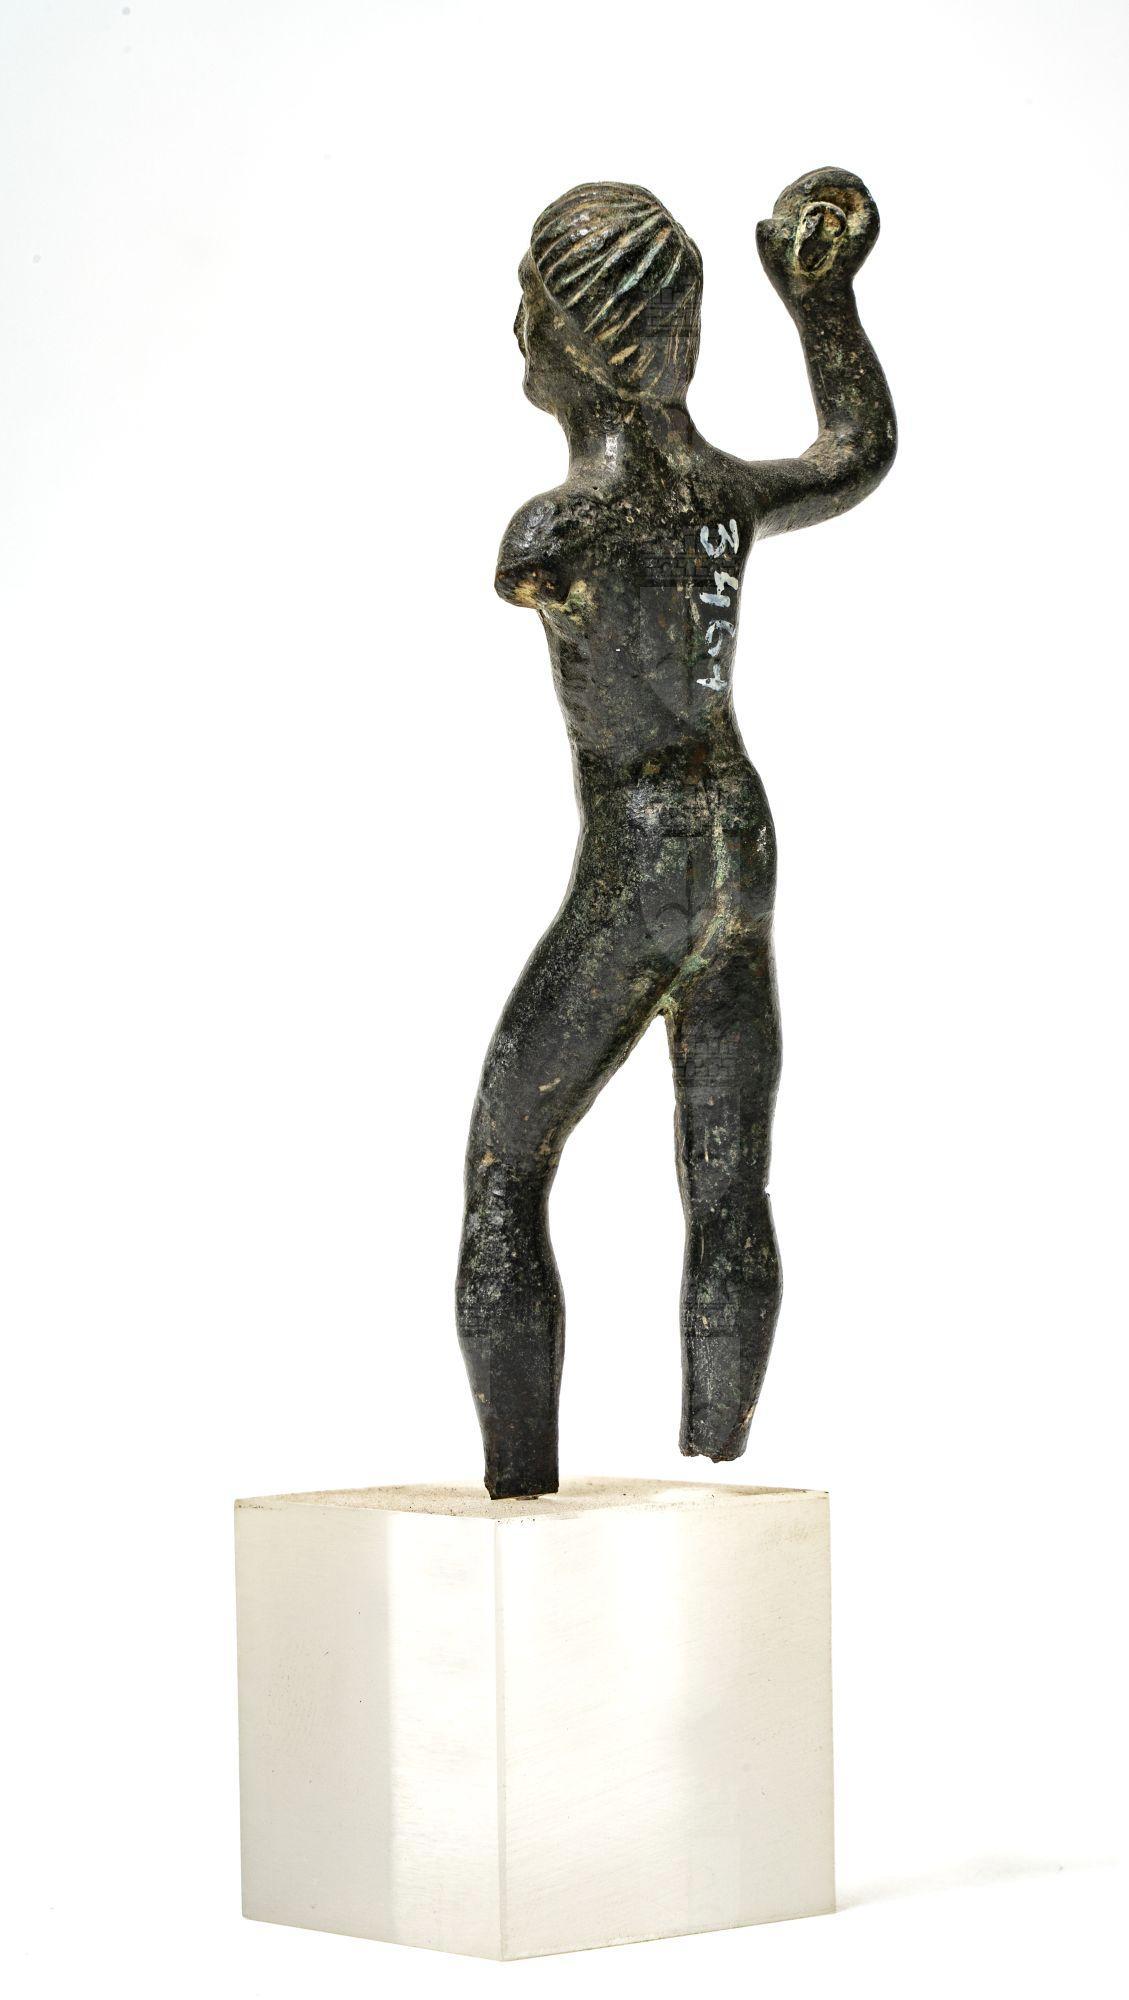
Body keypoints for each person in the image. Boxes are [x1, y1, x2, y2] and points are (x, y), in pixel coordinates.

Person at [457, 172, 896, 1498]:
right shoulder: (717, 495)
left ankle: (521, 1491)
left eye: (529, 306)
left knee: (505, 1168)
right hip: (738, 843)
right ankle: (713, 1456)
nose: (515, 333)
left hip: (641, 854)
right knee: (725, 1177)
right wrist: (820, 302)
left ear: (578, 338)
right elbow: (854, 449)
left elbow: (541, 577)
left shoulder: (554, 528)